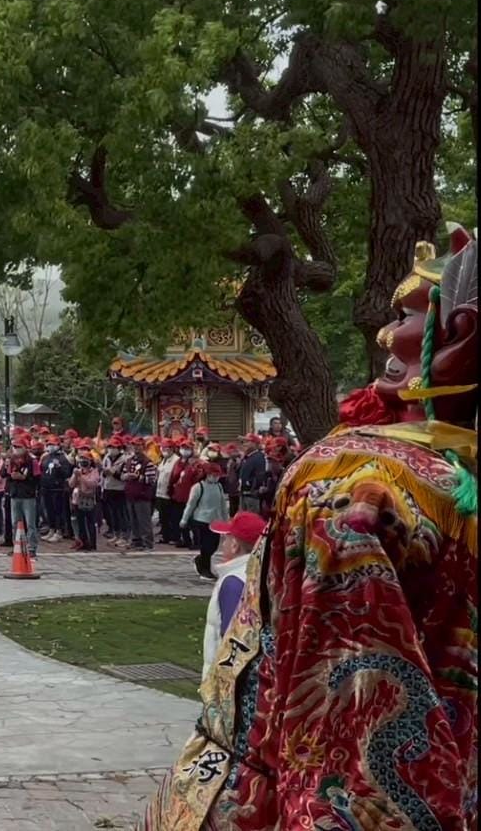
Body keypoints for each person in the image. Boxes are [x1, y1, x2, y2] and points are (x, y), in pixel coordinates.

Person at [147, 228, 478, 829]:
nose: (385, 335)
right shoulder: (445, 481)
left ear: (460, 334)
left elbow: (349, 747)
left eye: (404, 315)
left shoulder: (356, 485)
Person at [198, 510, 266, 672]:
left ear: (235, 545)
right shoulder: (262, 572)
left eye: (226, 539)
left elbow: (232, 640)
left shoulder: (233, 581)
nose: (223, 545)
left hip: (228, 675)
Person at [119, 439, 159, 551]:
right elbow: (122, 475)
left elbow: (151, 479)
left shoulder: (148, 462)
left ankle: (148, 543)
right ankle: (136, 541)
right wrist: (126, 476)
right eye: (134, 445)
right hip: (130, 495)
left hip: (142, 496)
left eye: (138, 445)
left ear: (143, 447)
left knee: (144, 521)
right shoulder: (129, 461)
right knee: (133, 520)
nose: (136, 448)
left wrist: (138, 477)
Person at [5, 439, 41, 555]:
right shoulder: (12, 460)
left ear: (25, 448)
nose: (16, 449)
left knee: (30, 523)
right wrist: (12, 478)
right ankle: (17, 546)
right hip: (15, 494)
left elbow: (37, 478)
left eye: (19, 447)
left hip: (28, 495)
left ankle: (31, 547)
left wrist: (25, 478)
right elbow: (7, 476)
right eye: (15, 447)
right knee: (15, 522)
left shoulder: (32, 461)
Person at [69, 453, 103, 551]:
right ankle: (82, 542)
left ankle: (91, 544)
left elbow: (92, 484)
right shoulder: (78, 471)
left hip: (89, 499)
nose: (83, 462)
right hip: (77, 499)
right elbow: (71, 484)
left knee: (90, 522)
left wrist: (81, 477)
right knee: (79, 522)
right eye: (81, 459)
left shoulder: (94, 472)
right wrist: (75, 475)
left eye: (85, 459)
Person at [99, 438, 129, 546]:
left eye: (114, 447)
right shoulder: (106, 457)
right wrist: (105, 472)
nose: (111, 449)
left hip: (120, 489)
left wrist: (113, 473)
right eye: (110, 447)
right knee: (112, 514)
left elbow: (124, 476)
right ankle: (116, 534)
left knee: (121, 514)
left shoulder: (124, 459)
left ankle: (124, 536)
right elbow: (103, 473)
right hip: (108, 487)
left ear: (119, 448)